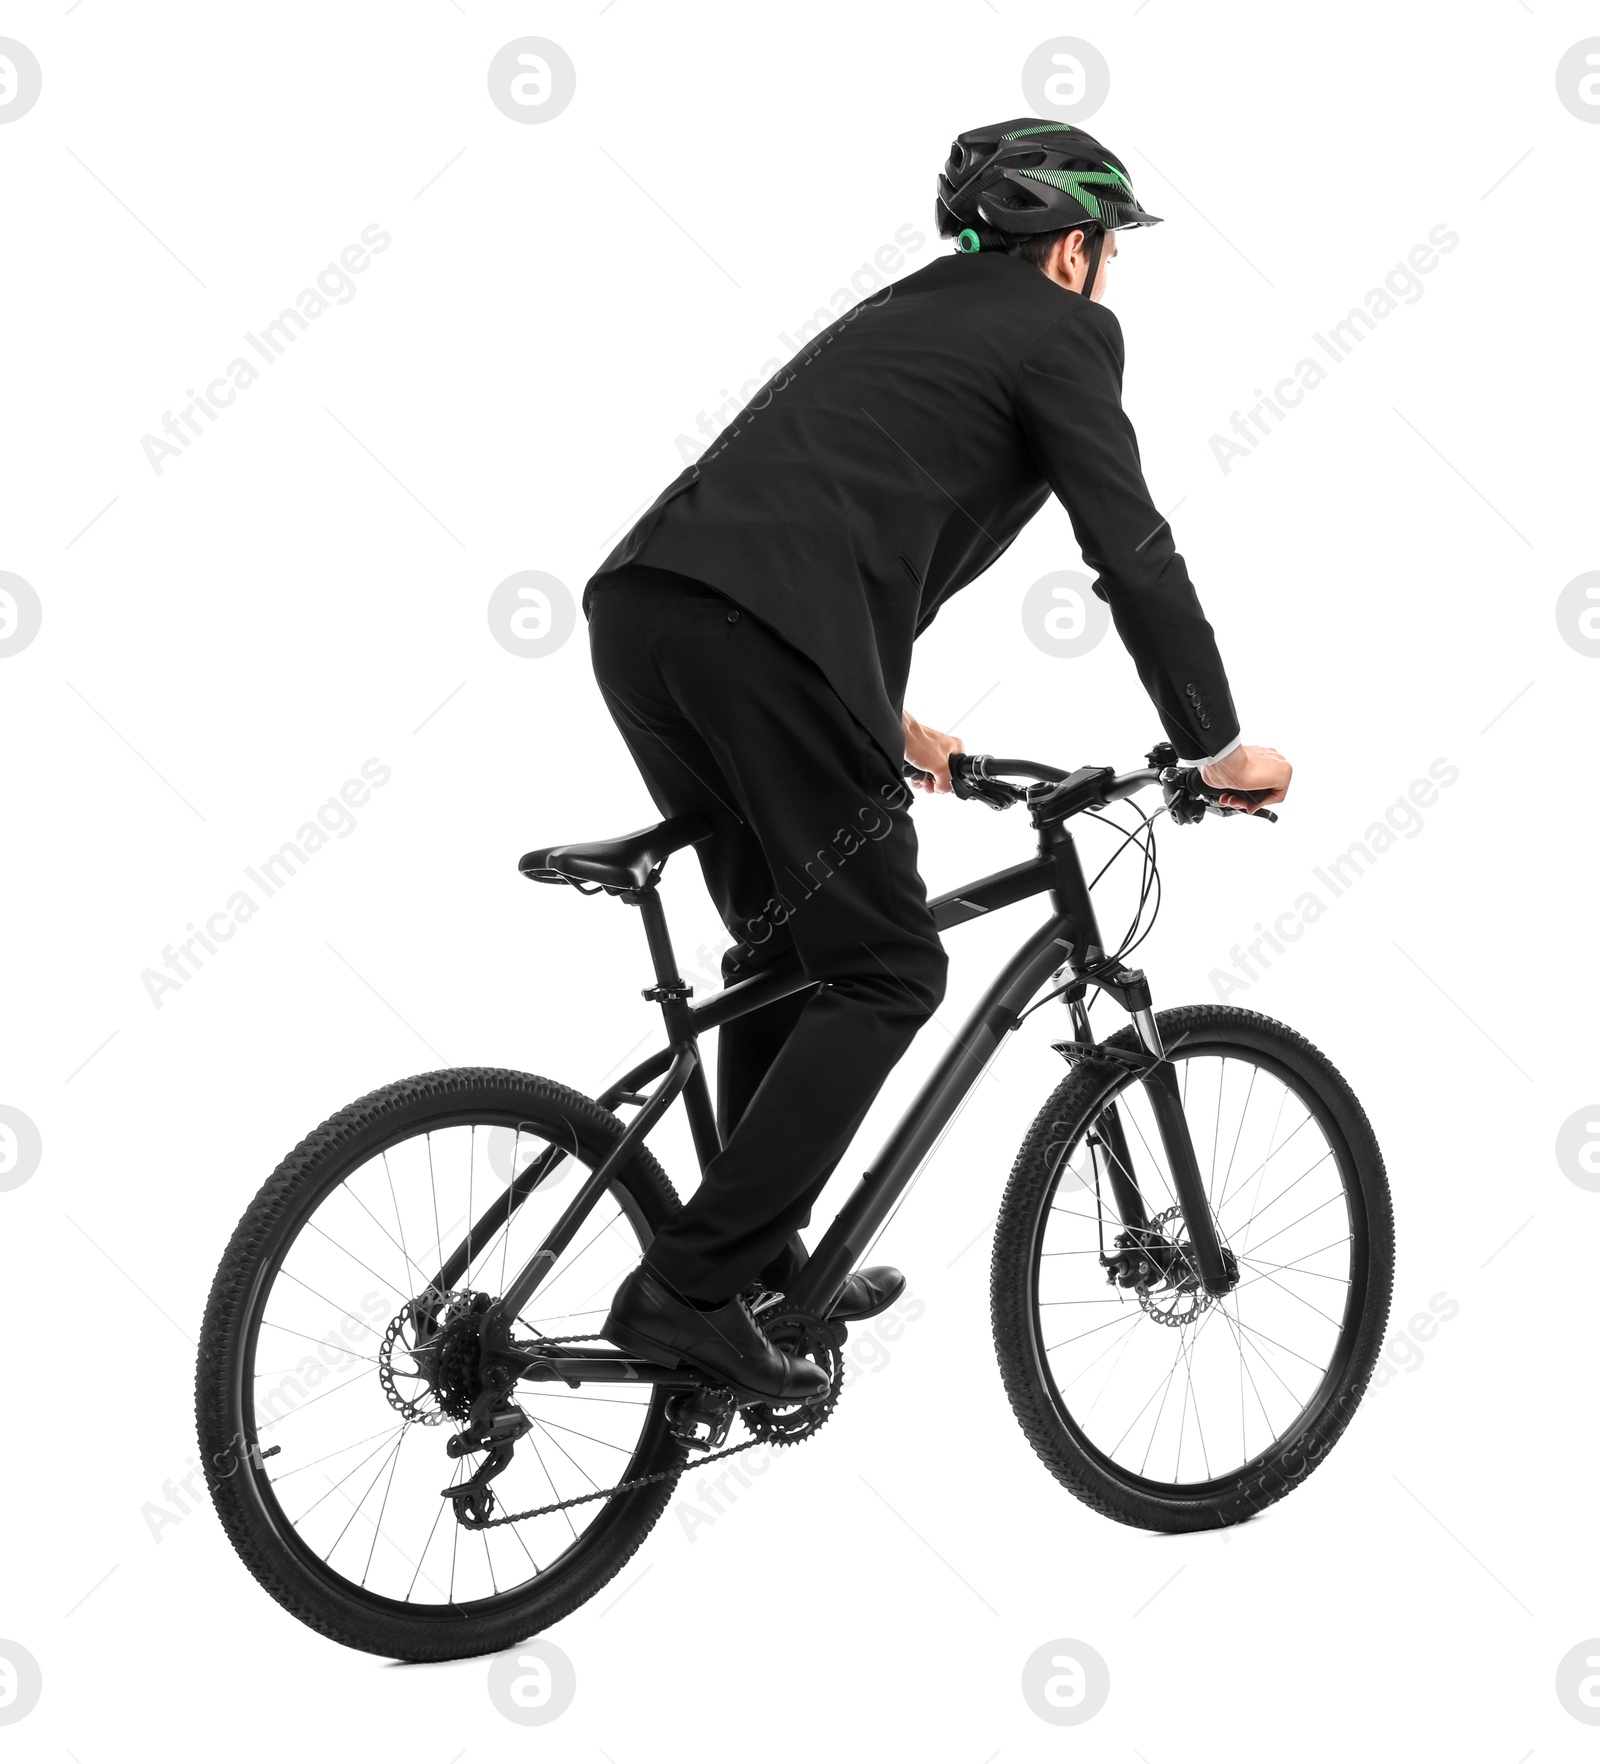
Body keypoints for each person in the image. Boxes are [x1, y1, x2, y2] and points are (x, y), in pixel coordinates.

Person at [590, 119, 1291, 1402]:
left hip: (648, 612)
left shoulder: (905, 312)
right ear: (1073, 248)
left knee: (791, 957)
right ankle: (688, 1286)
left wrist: (888, 723)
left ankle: (753, 1266)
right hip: (761, 640)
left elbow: (826, 508)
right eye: (1108, 248)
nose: (1107, 274)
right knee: (888, 965)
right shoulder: (1063, 331)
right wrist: (1214, 743)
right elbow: (1129, 552)